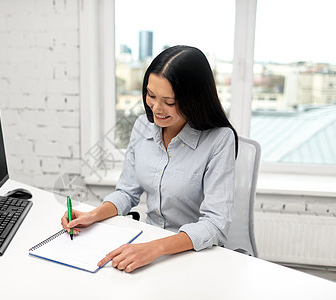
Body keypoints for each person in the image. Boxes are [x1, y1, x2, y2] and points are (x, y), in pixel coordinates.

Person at [61, 45, 238, 273]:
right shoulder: (143, 126)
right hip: (148, 244)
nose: (156, 107)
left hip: (194, 254)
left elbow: (215, 223)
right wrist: (92, 215)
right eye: (151, 95)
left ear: (195, 100)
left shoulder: (219, 140)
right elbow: (127, 192)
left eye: (169, 102)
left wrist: (155, 248)